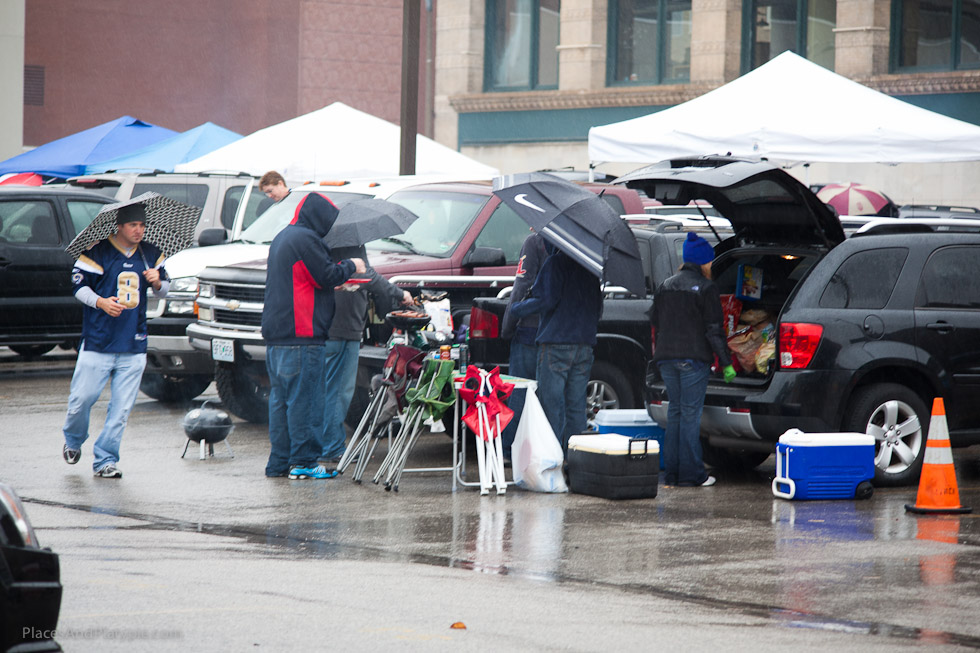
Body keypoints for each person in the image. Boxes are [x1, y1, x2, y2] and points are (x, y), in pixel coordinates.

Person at [61, 202, 170, 478]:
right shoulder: (98, 252)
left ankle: (105, 460)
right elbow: (78, 286)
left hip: (134, 343)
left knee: (121, 409)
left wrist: (158, 282)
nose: (139, 230)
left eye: (142, 225)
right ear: (119, 226)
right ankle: (73, 440)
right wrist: (100, 302)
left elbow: (165, 291)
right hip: (98, 341)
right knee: (81, 400)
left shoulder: (151, 254)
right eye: (133, 225)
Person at [262, 192, 365, 480]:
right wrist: (351, 267)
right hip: (302, 335)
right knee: (305, 403)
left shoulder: (284, 237)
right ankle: (305, 462)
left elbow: (305, 279)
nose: (329, 229)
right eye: (328, 222)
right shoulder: (307, 239)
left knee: (281, 404)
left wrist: (331, 285)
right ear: (319, 218)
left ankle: (279, 463)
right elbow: (326, 275)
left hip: (278, 338)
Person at [649, 232, 736, 488]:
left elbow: (654, 320)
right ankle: (693, 474)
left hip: (666, 359)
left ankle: (673, 473)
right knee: (689, 416)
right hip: (693, 360)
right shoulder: (707, 288)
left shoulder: (665, 285)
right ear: (703, 262)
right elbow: (713, 329)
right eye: (709, 261)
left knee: (675, 414)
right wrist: (727, 362)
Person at [318, 244, 413, 463]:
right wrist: (400, 293)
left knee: (327, 389)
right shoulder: (349, 244)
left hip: (327, 326)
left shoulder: (323, 241)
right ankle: (332, 448)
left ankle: (325, 443)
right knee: (339, 390)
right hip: (343, 328)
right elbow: (367, 275)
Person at [510, 243, 601, 454]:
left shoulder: (555, 263)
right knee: (576, 408)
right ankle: (576, 461)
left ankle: (552, 463)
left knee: (551, 408)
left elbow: (545, 300)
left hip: (556, 345)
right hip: (584, 345)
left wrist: (517, 308)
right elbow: (597, 307)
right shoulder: (590, 267)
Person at [498, 231, 547, 460]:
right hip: (557, 332)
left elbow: (522, 285)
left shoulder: (535, 241)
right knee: (550, 397)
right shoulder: (571, 242)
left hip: (529, 329)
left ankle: (510, 450)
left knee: (519, 392)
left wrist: (508, 326)